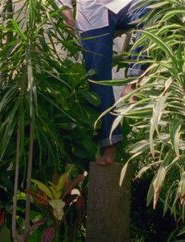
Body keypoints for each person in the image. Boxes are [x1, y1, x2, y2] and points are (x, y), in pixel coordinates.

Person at [57, 0, 150, 165]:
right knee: (98, 78)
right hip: (91, 14)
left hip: (121, 4)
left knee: (152, 7)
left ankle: (133, 82)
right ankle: (109, 145)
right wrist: (65, 8)